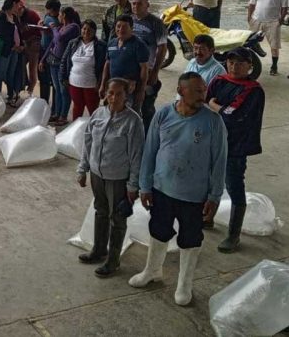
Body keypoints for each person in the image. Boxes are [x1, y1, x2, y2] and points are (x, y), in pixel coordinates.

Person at [130, 72, 227, 306]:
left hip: (195, 195)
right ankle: (152, 271)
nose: (203, 95)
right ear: (182, 91)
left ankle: (184, 284)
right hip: (162, 188)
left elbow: (219, 161)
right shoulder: (163, 114)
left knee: (190, 238)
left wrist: (214, 196)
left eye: (204, 90)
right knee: (159, 231)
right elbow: (150, 150)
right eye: (197, 91)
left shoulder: (213, 122)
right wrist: (145, 185)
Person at [76, 77, 144, 277]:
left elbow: (136, 155)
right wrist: (82, 169)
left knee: (118, 218)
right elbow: (88, 144)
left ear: (126, 96)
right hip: (98, 174)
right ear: (105, 93)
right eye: (110, 93)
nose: (113, 98)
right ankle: (99, 250)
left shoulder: (133, 121)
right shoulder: (98, 114)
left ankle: (113, 261)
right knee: (101, 211)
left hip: (118, 179)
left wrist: (133, 185)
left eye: (119, 94)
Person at [206, 47, 265, 252]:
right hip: (213, 141)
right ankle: (207, 218)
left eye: (240, 62)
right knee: (210, 181)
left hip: (236, 146)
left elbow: (232, 115)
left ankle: (233, 235)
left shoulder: (252, 90)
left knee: (234, 186)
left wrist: (215, 107)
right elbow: (206, 101)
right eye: (231, 62)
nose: (234, 66)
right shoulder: (220, 81)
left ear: (250, 66)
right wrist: (214, 107)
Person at [131, 0, 168, 132]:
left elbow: (162, 48)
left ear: (147, 5)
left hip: (148, 70)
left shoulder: (156, 23)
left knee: (146, 106)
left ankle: (150, 134)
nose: (136, 6)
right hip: (131, 70)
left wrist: (155, 72)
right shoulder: (129, 20)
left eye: (139, 3)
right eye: (134, 3)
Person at [99, 15, 149, 113]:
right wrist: (102, 85)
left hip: (130, 90)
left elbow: (144, 68)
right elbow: (107, 64)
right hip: (113, 87)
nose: (121, 29)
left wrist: (141, 90)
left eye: (125, 27)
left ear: (131, 28)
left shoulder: (139, 45)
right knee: (111, 113)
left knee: (129, 115)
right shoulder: (112, 43)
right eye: (118, 26)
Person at [40, 7, 81, 126]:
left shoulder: (74, 27)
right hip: (53, 61)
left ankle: (63, 115)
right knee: (57, 89)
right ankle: (56, 113)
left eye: (60, 15)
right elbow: (52, 44)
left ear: (63, 15)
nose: (58, 16)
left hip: (64, 63)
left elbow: (59, 38)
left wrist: (53, 28)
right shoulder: (61, 27)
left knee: (64, 90)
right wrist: (42, 60)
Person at [60, 20, 106, 121]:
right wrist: (63, 78)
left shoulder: (101, 46)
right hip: (74, 83)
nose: (86, 31)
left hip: (91, 85)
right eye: (84, 29)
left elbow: (104, 67)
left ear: (94, 32)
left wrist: (101, 83)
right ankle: (75, 131)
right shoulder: (73, 43)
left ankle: (94, 132)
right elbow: (64, 60)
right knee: (77, 108)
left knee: (93, 110)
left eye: (89, 30)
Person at [247, 0, 289, 76]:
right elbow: (252, 4)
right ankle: (250, 62)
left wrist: (281, 19)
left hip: (273, 22)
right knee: (249, 42)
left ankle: (274, 66)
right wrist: (249, 17)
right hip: (256, 20)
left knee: (274, 46)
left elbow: (285, 6)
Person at [0, 0, 24, 104]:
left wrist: (20, 45)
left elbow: (18, 32)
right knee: (1, 73)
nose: (19, 7)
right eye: (18, 5)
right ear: (14, 3)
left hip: (14, 51)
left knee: (11, 73)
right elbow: (1, 34)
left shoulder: (14, 16)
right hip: (4, 51)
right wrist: (13, 46)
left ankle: (11, 95)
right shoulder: (1, 16)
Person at [15, 1, 42, 100]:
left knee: (32, 67)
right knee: (20, 65)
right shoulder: (14, 16)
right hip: (23, 43)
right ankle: (20, 88)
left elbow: (40, 30)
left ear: (23, 7)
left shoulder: (32, 14)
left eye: (19, 9)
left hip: (34, 43)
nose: (17, 11)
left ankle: (30, 90)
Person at [38, 0, 61, 106]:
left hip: (48, 52)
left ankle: (46, 104)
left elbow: (55, 39)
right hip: (51, 52)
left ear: (50, 9)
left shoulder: (53, 21)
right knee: (52, 81)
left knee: (48, 81)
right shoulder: (56, 20)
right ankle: (52, 107)